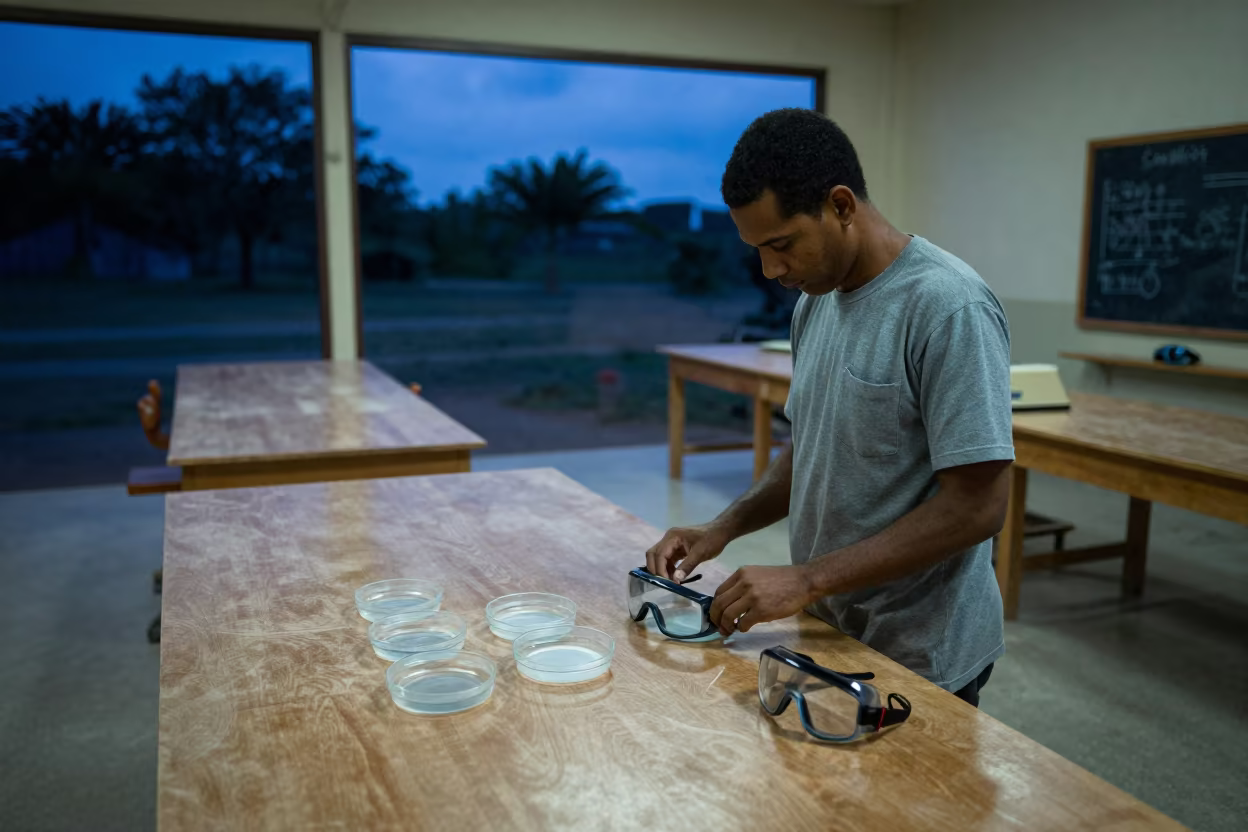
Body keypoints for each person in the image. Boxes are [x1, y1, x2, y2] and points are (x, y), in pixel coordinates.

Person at [645, 109, 1013, 706]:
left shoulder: (948, 307)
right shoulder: (815, 302)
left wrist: (806, 578)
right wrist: (723, 528)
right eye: (757, 252)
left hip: (922, 649)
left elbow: (978, 508)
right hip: (831, 626)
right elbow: (814, 444)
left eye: (782, 244)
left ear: (841, 205)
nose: (772, 270)